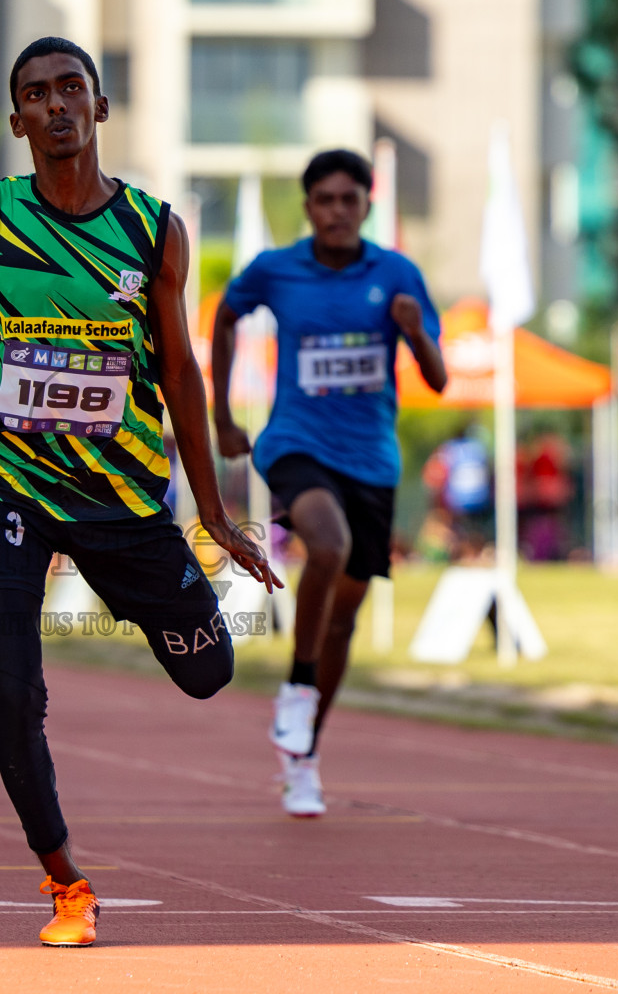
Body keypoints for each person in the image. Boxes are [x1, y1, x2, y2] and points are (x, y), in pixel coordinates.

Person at [0, 38, 280, 948]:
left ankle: (132, 584)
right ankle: (66, 882)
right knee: (11, 685)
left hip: (118, 495)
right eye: (35, 94)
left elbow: (182, 375)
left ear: (101, 107)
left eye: (72, 87)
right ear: (18, 122)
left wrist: (215, 514)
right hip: (6, 483)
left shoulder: (154, 232)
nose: (56, 104)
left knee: (208, 671)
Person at [211, 149, 445, 817]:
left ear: (367, 205)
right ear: (308, 206)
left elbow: (436, 377)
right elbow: (225, 316)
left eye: (350, 199)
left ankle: (304, 755)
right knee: (328, 543)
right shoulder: (277, 270)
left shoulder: (397, 275)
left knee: (344, 621)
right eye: (325, 200)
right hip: (295, 444)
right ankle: (296, 688)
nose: (338, 211)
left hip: (371, 459)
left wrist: (412, 333)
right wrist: (223, 414)